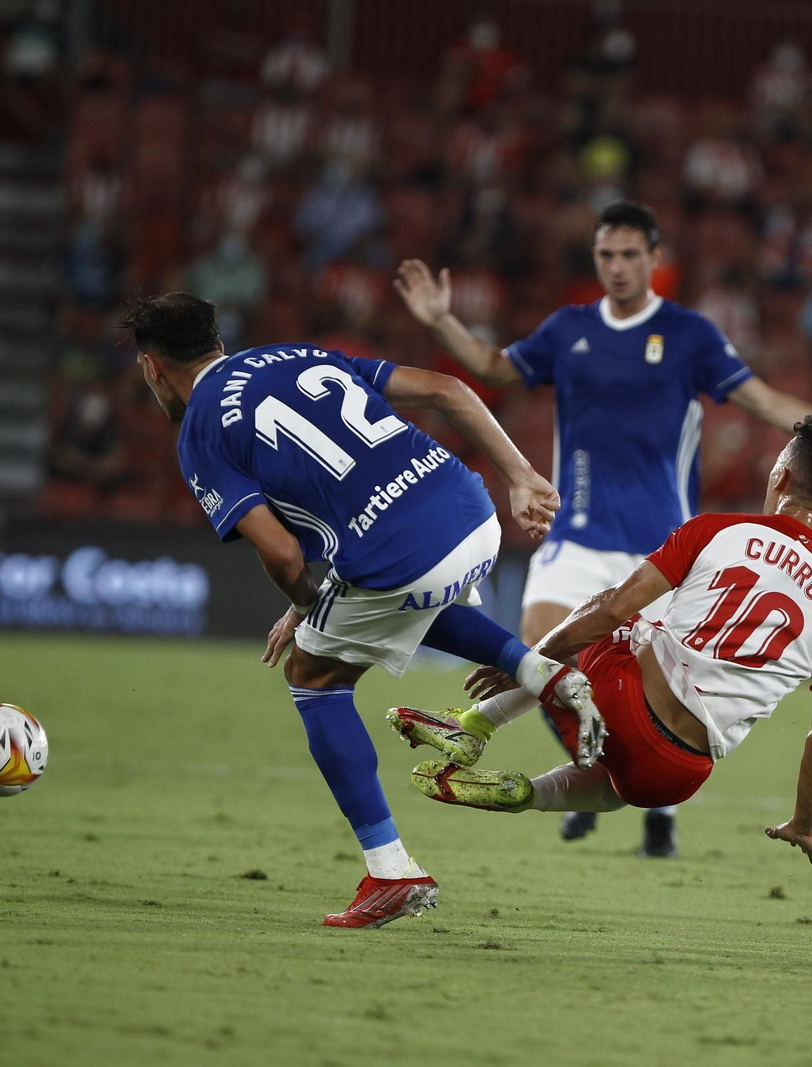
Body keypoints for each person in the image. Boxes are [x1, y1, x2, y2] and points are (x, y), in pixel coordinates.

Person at [393, 200, 812, 856]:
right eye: (605, 255)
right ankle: (581, 779)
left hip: (661, 538)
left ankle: (496, 735)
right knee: (557, 649)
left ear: (654, 259)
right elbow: (496, 367)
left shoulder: (691, 339)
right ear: (596, 260)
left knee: (580, 642)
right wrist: (442, 320)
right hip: (582, 537)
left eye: (628, 254)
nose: (616, 267)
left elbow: (766, 402)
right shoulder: (568, 329)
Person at [122, 293, 602, 929]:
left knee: (314, 678)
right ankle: (547, 675)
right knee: (388, 602)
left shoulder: (201, 432)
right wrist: (519, 474)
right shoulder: (291, 355)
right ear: (217, 337)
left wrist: (305, 608)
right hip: (471, 509)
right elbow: (449, 389)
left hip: (400, 550)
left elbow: (283, 553)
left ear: (153, 367)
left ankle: (391, 871)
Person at [389, 417, 812, 869]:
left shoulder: (718, 531)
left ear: (780, 477)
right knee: (618, 783)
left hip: (622, 704)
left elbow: (611, 610)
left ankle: (474, 724)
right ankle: (528, 793)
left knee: (615, 615)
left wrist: (528, 661)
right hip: (677, 776)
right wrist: (805, 824)